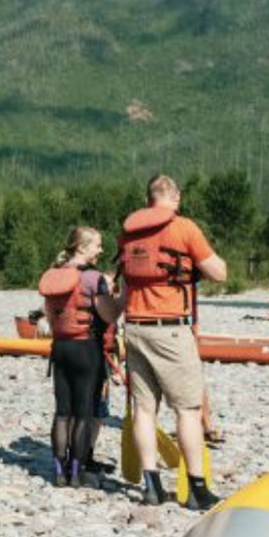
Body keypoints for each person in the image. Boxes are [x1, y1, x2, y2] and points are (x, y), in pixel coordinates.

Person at [117, 174, 226, 510]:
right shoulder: (184, 228)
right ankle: (196, 488)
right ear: (175, 197)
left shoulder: (128, 233)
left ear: (149, 198)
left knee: (145, 410)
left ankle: (151, 486)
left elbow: (122, 288)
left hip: (134, 328)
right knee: (188, 410)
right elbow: (218, 272)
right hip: (171, 331)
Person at [38, 227, 118, 486]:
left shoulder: (54, 275)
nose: (101, 250)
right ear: (82, 248)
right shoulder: (94, 278)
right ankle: (77, 471)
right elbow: (109, 315)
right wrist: (123, 298)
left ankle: (59, 470)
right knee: (83, 413)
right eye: (97, 245)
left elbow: (50, 316)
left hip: (60, 349)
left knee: (62, 412)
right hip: (86, 349)